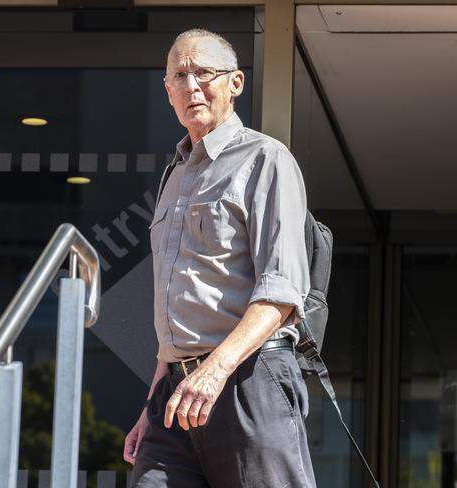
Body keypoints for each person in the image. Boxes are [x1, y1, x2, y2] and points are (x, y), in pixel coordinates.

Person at [122, 28, 317, 487]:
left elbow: (283, 291)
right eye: (179, 76)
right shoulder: (173, 175)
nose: (191, 85)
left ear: (236, 83)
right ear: (167, 91)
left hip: (249, 380)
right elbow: (179, 311)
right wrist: (153, 403)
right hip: (177, 392)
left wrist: (213, 372)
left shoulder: (266, 158)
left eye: (204, 72)